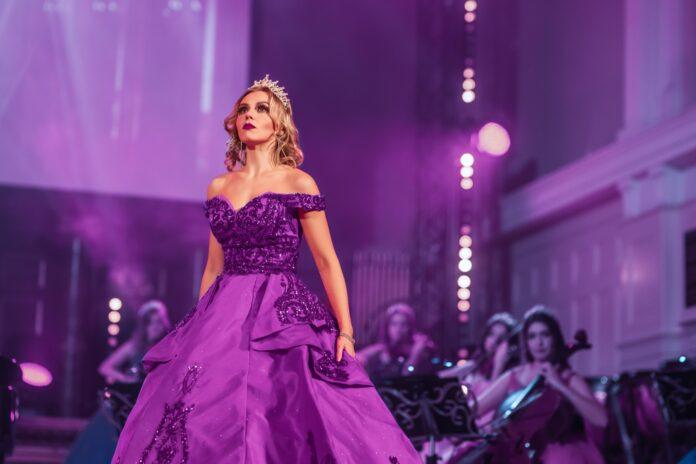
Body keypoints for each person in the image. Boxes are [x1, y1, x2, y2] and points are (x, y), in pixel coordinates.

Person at [111, 75, 422, 463]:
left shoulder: (297, 181)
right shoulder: (219, 186)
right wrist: (199, 328)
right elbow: (213, 266)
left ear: (279, 123)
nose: (250, 115)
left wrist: (345, 330)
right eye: (244, 109)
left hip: (280, 310)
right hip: (224, 313)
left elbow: (326, 261)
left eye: (261, 109)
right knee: (205, 415)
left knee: (281, 407)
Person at [474, 305, 607, 463]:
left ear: (555, 338)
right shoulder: (514, 376)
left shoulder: (567, 377)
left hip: (562, 455)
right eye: (532, 336)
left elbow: (601, 419)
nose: (539, 342)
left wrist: (560, 385)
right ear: (526, 341)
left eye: (545, 335)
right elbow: (475, 409)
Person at [66, 300, 171, 464]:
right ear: (144, 326)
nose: (156, 326)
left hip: (152, 402)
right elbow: (105, 368)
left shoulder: (167, 347)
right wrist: (127, 379)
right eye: (151, 322)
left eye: (159, 321)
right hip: (129, 402)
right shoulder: (134, 346)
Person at [356, 302, 436, 381]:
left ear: (410, 327)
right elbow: (356, 359)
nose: (398, 329)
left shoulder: (418, 349)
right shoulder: (381, 349)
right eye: (394, 324)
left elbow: (407, 374)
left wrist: (416, 353)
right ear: (387, 327)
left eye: (403, 324)